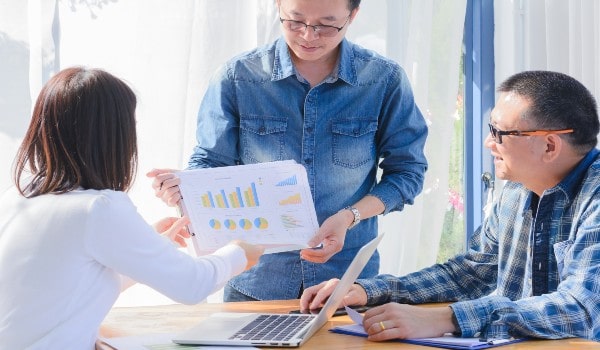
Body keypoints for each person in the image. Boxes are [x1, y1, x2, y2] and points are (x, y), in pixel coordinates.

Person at [149, 0, 428, 302]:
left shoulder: (383, 80)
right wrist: (186, 189)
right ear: (278, 7)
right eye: (295, 21)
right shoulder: (238, 77)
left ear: (353, 16)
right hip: (254, 283)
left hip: (345, 286)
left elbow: (407, 172)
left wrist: (349, 216)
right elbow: (211, 161)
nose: (308, 36)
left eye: (326, 25)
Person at [300, 70, 600, 342]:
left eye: (500, 133)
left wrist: (447, 318)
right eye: (489, 128)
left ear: (549, 146)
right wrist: (368, 291)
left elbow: (580, 309)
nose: (487, 142)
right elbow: (469, 274)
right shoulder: (517, 190)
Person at [0, 67, 264, 350]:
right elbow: (192, 285)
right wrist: (240, 252)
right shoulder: (98, 209)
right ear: (111, 136)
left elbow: (72, 280)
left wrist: (151, 248)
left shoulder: (19, 193)